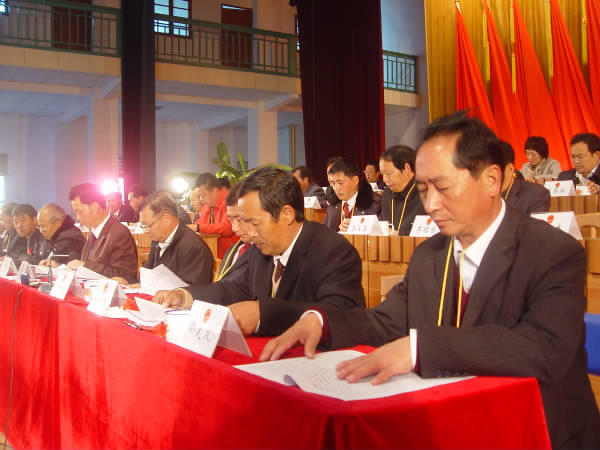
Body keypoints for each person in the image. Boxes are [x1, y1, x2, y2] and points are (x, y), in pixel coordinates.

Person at [261, 111, 600, 450]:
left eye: (444, 187)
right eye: (424, 189)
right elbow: (385, 321)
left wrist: (420, 349)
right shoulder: (430, 254)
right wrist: (322, 322)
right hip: (452, 424)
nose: (431, 204)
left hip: (535, 431)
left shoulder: (552, 251)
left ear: (491, 180)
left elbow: (544, 346)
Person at [152, 167, 365, 337]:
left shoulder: (333, 251)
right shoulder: (260, 247)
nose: (250, 233)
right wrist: (186, 296)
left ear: (287, 214)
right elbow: (234, 288)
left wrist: (264, 313)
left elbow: (340, 315)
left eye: (255, 223)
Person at [67, 183, 138, 282]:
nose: (78, 217)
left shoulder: (119, 234)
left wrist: (85, 266)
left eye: (79, 212)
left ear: (95, 208)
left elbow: (125, 276)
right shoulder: (94, 233)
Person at [140, 192, 213, 285]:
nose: (146, 231)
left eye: (148, 226)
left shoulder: (194, 248)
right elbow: (149, 273)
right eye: (143, 226)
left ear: (166, 219)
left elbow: (192, 289)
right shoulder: (157, 240)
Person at [378, 145, 426, 235]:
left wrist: (399, 234)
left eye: (388, 173)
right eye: (383, 174)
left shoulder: (426, 192)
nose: (385, 179)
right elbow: (382, 223)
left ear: (407, 168)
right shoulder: (388, 193)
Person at [323, 158, 381, 231]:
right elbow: (324, 232)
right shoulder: (333, 205)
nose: (336, 188)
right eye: (332, 183)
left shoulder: (374, 204)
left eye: (340, 183)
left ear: (355, 180)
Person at [192, 173, 238, 258]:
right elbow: (200, 224)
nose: (201, 199)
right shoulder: (208, 205)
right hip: (215, 255)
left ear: (214, 190)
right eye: (199, 196)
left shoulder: (231, 200)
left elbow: (227, 228)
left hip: (233, 256)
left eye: (203, 195)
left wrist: (197, 227)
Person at [215, 182, 253, 282]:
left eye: (240, 219)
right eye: (231, 220)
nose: (234, 228)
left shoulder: (267, 255)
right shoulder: (233, 250)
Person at [500, 141, 550, 214]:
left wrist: (535, 180)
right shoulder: (525, 166)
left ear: (510, 169)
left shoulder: (536, 194)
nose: (529, 157)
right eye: (527, 154)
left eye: (533, 154)